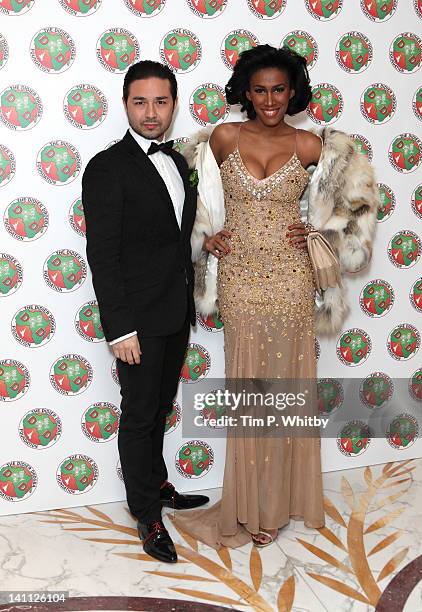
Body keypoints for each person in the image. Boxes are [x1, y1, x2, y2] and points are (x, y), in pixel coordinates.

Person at [173, 44, 379, 548]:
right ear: (246, 92)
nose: (270, 100)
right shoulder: (222, 138)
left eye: (279, 90)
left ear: (293, 92)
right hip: (240, 279)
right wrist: (204, 235)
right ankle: (248, 504)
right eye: (260, 90)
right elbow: (182, 195)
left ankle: (278, 504)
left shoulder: (312, 146)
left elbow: (358, 210)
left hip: (291, 280)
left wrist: (319, 235)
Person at [82, 60, 209, 564]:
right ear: (125, 103)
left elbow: (175, 238)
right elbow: (104, 256)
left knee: (159, 408)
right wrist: (120, 329)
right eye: (140, 101)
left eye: (161, 101)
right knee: (138, 415)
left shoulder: (179, 162)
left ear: (174, 105)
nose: (151, 112)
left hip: (175, 313)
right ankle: (146, 514)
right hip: (136, 321)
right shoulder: (107, 167)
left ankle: (158, 484)